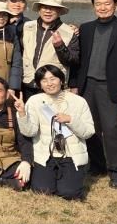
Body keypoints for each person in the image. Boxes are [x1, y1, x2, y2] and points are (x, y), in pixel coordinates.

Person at [72, 0, 117, 188]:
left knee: (112, 130)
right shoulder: (86, 29)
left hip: (111, 87)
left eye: (107, 3)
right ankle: (97, 166)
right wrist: (74, 84)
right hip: (87, 85)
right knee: (90, 129)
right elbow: (77, 60)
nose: (102, 7)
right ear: (94, 7)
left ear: (115, 6)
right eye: (98, 4)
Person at [17, 65, 96, 200]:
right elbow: (29, 132)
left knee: (69, 193)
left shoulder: (78, 101)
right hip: (46, 155)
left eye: (53, 79)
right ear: (39, 84)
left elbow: (88, 132)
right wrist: (22, 113)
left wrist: (70, 120)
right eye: (44, 80)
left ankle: (71, 177)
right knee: (42, 190)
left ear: (61, 80)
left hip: (71, 155)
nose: (49, 83)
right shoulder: (35, 101)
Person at [20, 0, 79, 100]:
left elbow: (73, 61)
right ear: (39, 10)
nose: (48, 11)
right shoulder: (27, 26)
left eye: (53, 8)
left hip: (53, 87)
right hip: (28, 84)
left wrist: (60, 46)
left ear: (59, 11)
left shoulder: (69, 32)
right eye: (44, 7)